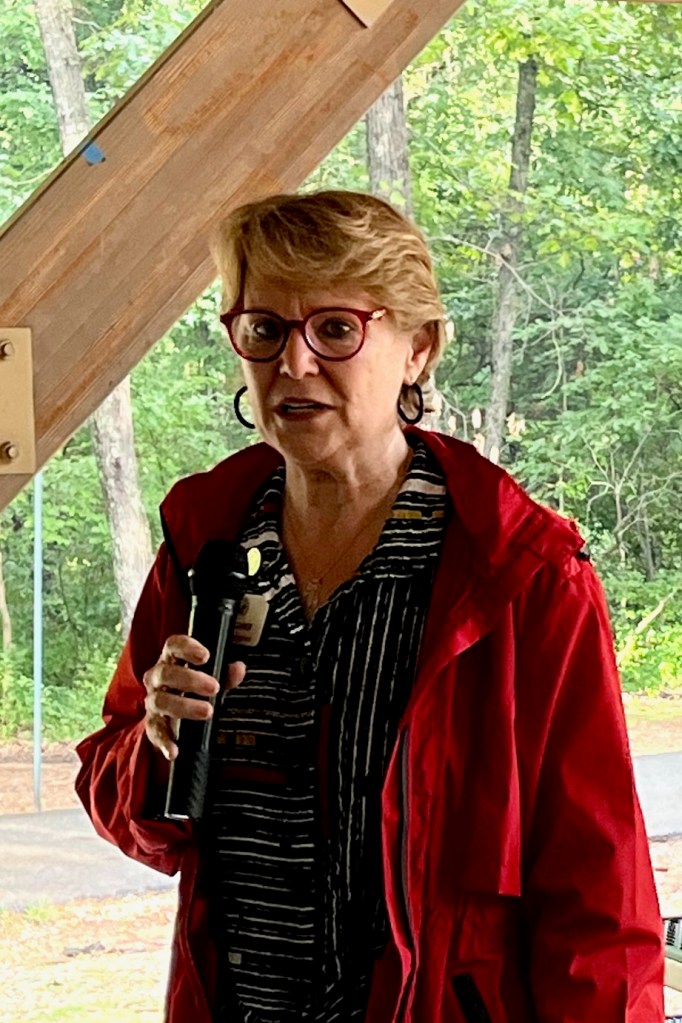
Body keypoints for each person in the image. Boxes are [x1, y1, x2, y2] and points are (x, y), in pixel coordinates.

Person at [75, 190, 664, 1023]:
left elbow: (597, 893)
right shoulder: (207, 542)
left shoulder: (517, 571)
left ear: (417, 347)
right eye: (264, 329)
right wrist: (157, 746)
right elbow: (131, 813)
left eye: (336, 329)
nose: (294, 363)